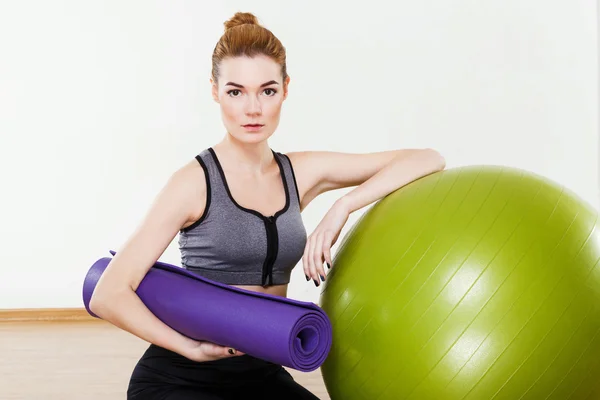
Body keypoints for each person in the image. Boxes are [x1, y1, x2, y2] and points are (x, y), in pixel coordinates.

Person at [88, 11, 446, 400]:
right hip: (180, 379)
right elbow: (109, 294)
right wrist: (188, 348)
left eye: (268, 90)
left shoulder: (300, 172)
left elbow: (427, 158)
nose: (253, 108)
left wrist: (343, 206)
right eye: (236, 91)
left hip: (261, 377)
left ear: (286, 89)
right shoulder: (194, 182)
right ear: (214, 91)